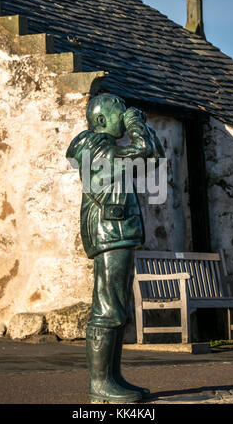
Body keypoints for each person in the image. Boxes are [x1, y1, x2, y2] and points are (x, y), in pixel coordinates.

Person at [66, 93, 164, 403]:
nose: (123, 117)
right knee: (108, 307)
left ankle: (112, 377)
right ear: (100, 120)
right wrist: (136, 124)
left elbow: (154, 156)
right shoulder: (95, 148)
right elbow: (145, 151)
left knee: (116, 307)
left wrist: (141, 127)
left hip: (117, 230)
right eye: (118, 113)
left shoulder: (108, 151)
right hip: (110, 230)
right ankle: (100, 385)